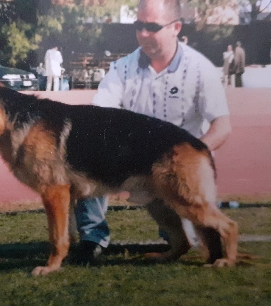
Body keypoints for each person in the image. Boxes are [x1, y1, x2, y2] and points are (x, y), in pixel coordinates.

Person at [73, 0, 232, 264]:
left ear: (176, 28)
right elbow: (100, 116)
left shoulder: (199, 68)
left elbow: (222, 127)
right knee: (87, 155)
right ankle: (92, 238)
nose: (143, 34)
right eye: (139, 26)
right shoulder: (121, 68)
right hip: (135, 162)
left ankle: (186, 237)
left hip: (178, 168)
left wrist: (185, 163)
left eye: (152, 27)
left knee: (187, 237)